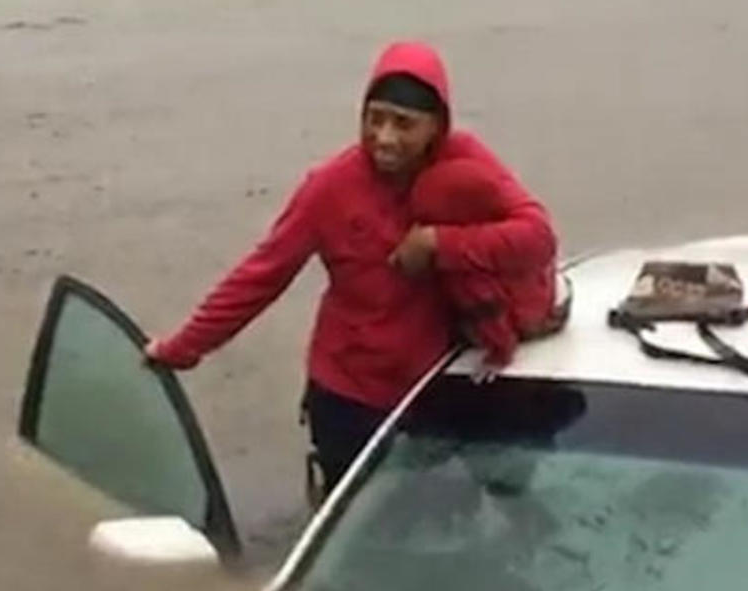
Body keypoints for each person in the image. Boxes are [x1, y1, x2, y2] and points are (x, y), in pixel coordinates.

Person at [145, 41, 557, 493]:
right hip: (351, 396)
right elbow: (260, 276)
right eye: (373, 118)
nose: (384, 137)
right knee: (362, 539)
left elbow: (537, 235)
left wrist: (441, 243)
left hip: (441, 384)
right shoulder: (330, 189)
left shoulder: (465, 162)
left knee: (466, 514)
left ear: (437, 127)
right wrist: (183, 347)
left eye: (404, 124)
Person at [409, 158, 560, 380]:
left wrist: (499, 354)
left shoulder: (466, 271)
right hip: (540, 308)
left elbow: (487, 310)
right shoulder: (503, 241)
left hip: (514, 326)